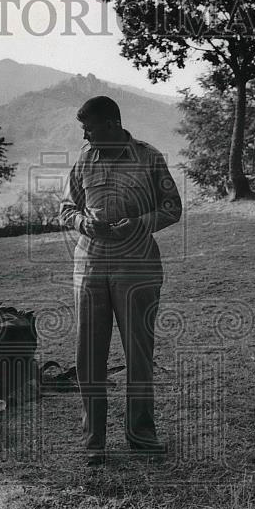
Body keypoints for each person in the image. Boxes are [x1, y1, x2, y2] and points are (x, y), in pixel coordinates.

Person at [60, 96, 182, 466]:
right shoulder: (83, 160)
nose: (85, 135)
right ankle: (93, 441)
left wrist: (139, 223)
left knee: (139, 355)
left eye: (91, 128)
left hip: (137, 269)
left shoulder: (148, 157)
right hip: (90, 268)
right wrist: (84, 223)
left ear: (112, 124)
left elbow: (172, 207)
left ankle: (142, 436)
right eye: (84, 129)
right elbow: (67, 208)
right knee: (89, 357)